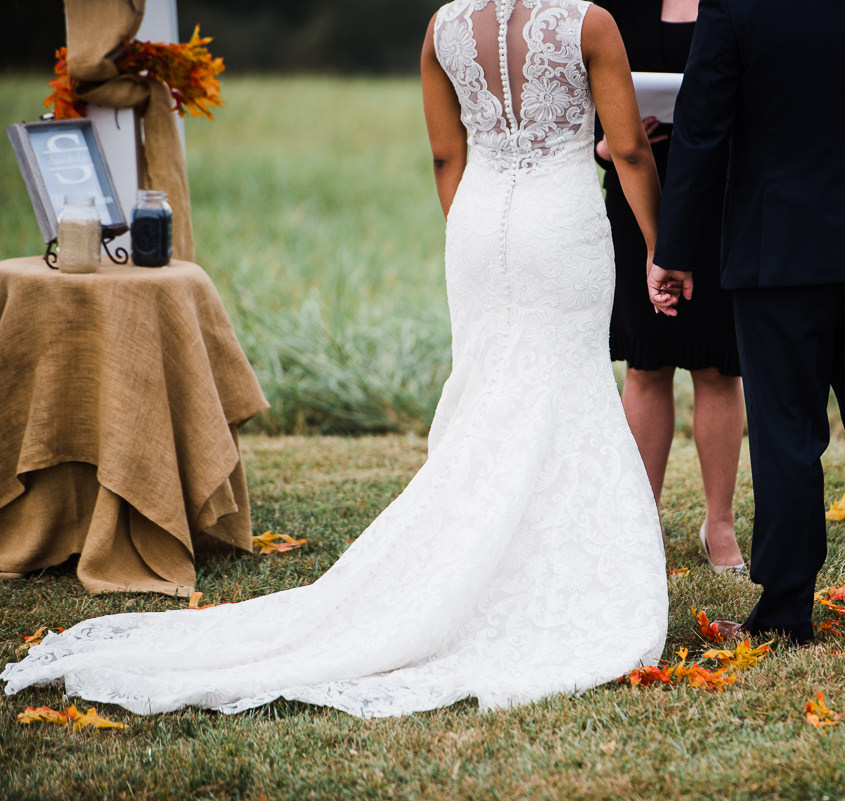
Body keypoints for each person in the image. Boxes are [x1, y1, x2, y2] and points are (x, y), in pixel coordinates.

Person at [2, 0, 669, 717]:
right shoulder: (589, 22)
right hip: (559, 222)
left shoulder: (444, 25)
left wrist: (469, 237)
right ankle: (547, 566)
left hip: (478, 224)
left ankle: (488, 553)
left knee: (491, 386)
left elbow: (448, 155)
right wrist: (662, 242)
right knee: (562, 382)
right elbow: (629, 150)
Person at [648, 0, 845, 644]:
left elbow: (702, 128)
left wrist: (676, 251)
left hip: (779, 252)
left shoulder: (736, 7)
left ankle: (786, 611)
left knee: (786, 431)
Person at [593, 0, 745, 572]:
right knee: (645, 362)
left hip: (721, 198)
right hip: (637, 199)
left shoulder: (736, 6)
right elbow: (582, 106)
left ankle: (720, 523)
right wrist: (603, 147)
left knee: (717, 366)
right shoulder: (616, 7)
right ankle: (642, 519)